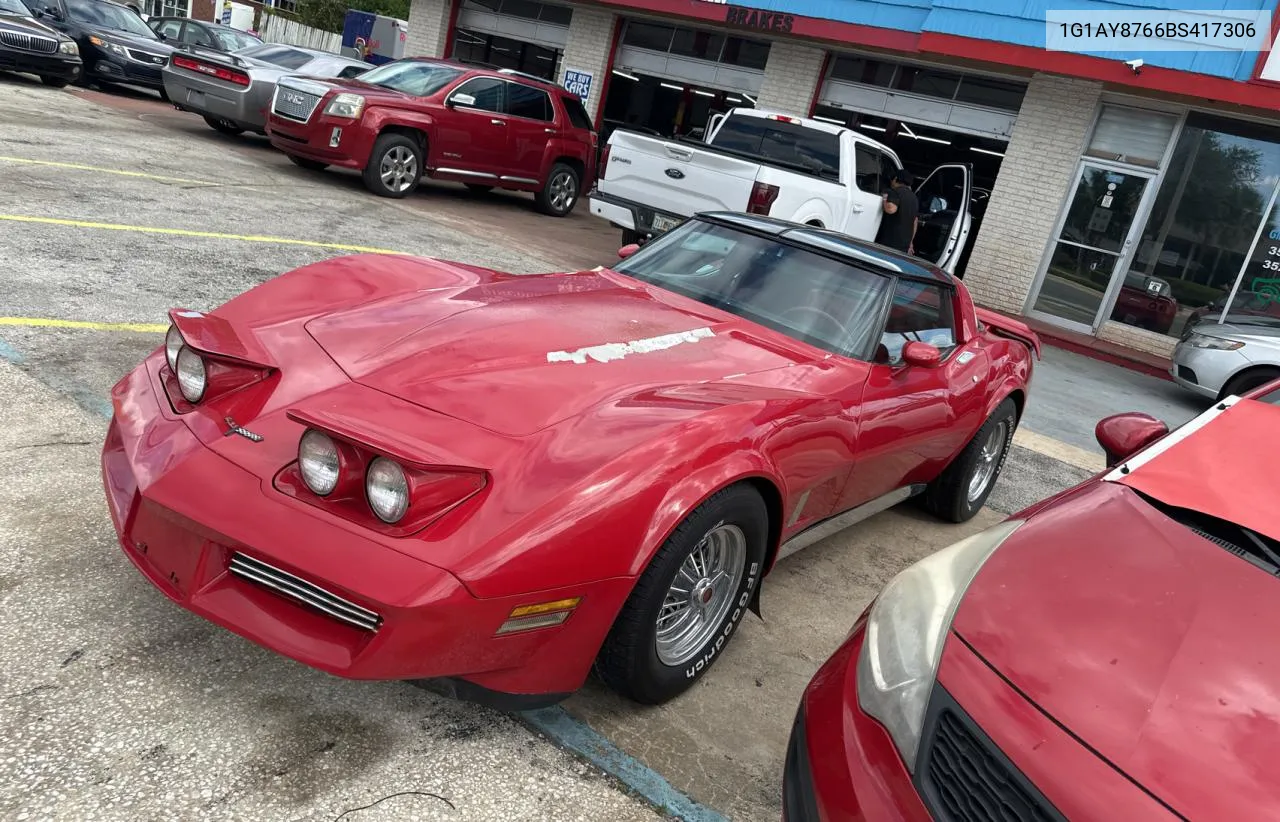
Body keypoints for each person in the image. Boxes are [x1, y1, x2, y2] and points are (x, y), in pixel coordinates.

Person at [876, 168, 919, 254]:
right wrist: (910, 242)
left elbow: (890, 209)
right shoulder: (914, 198)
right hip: (904, 245)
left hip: (890, 242)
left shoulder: (894, 192)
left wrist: (884, 198)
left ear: (895, 179)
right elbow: (915, 221)